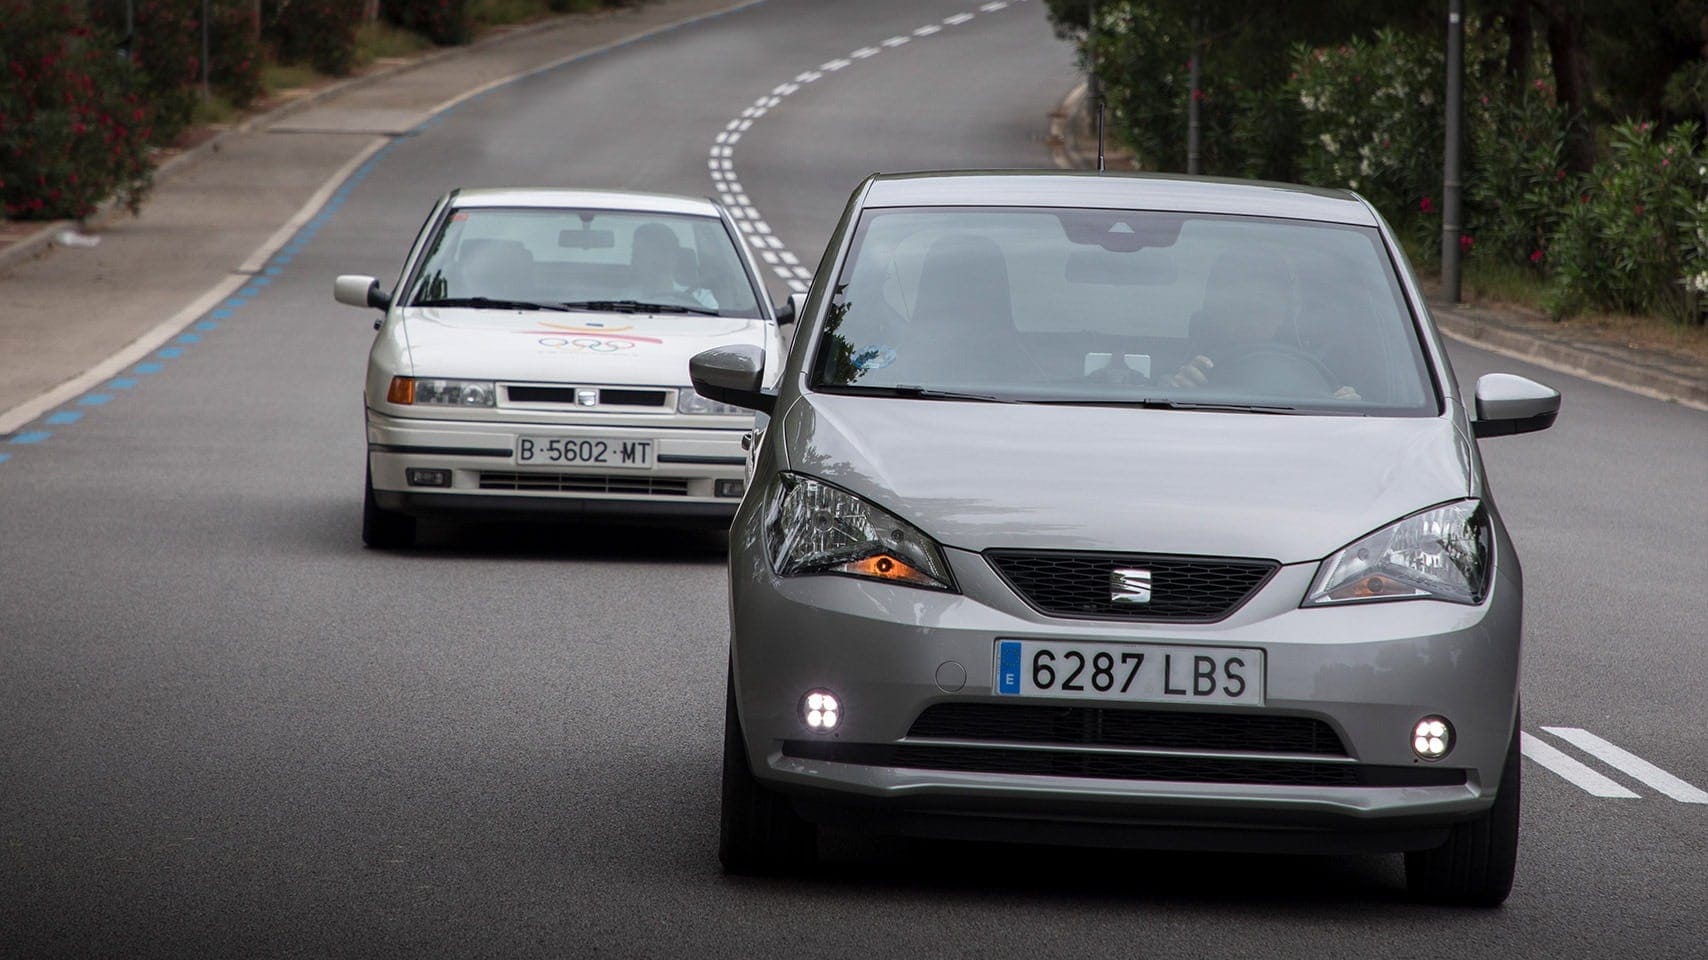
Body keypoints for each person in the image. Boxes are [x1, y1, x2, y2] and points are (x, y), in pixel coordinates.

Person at [1169, 246, 1360, 400]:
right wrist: (1179, 391)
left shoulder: (1324, 365)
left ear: (1283, 316)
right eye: (1237, 307)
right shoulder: (1189, 366)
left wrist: (1343, 404)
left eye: (1260, 311)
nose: (1249, 321)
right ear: (1217, 311)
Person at [628, 222, 716, 309]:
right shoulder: (623, 301)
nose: (634, 259)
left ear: (674, 257)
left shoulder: (702, 299)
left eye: (642, 253)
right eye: (636, 252)